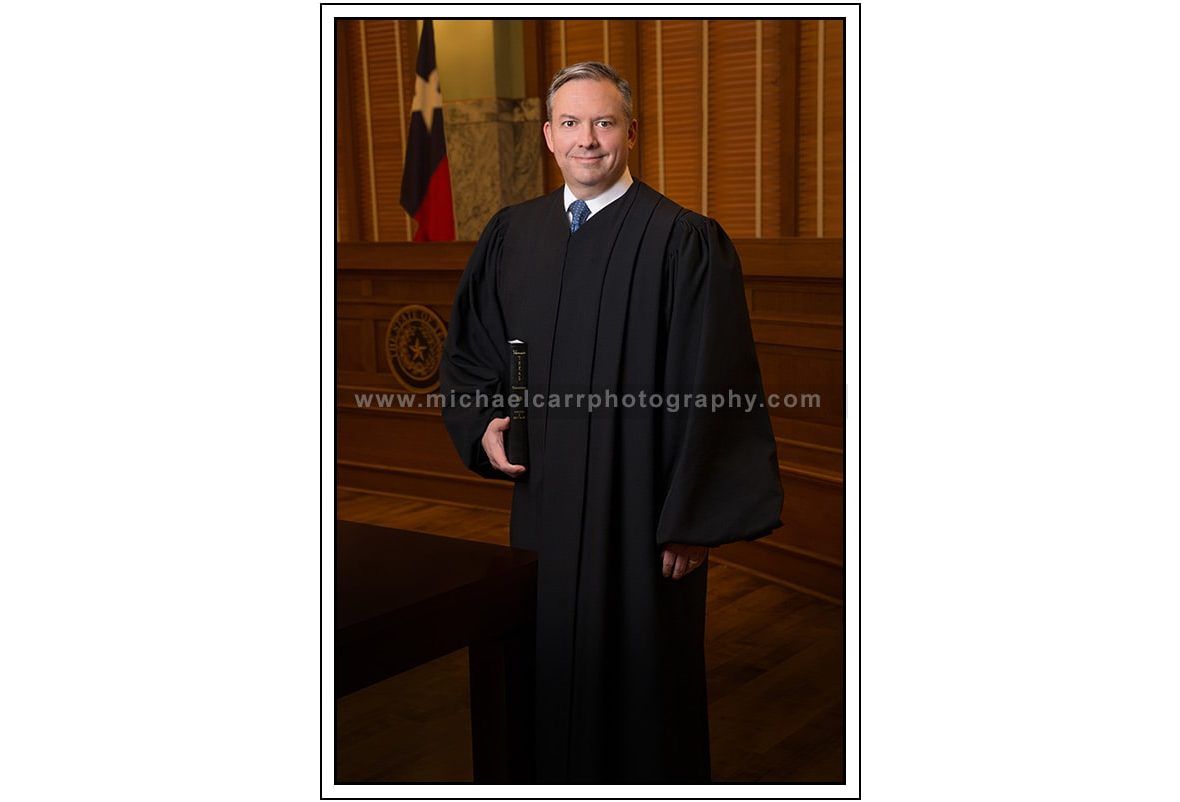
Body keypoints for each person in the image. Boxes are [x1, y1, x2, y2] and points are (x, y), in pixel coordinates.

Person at [440, 62, 783, 783]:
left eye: (603, 122)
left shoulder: (682, 241)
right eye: (570, 123)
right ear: (547, 136)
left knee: (641, 683)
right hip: (545, 505)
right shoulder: (513, 234)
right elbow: (473, 349)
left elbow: (715, 383)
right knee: (543, 662)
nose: (587, 140)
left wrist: (692, 516)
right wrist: (484, 423)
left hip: (642, 516)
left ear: (632, 130)